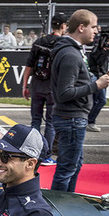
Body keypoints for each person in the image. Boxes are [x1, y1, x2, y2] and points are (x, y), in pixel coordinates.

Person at [50, 10, 109, 192]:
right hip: (71, 118)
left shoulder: (72, 51)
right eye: (93, 27)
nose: (96, 31)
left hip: (73, 118)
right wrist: (96, 85)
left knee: (73, 166)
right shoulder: (70, 54)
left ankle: (66, 207)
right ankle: (59, 212)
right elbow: (64, 93)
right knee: (67, 169)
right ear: (81, 27)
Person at [21, 13, 67, 166]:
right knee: (50, 123)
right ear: (63, 26)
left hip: (36, 86)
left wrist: (25, 85)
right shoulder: (63, 43)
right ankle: (46, 155)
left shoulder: (39, 42)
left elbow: (28, 66)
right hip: (53, 88)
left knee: (35, 120)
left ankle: (33, 152)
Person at [86, 34, 109, 133]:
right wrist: (107, 50)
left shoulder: (101, 50)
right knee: (101, 100)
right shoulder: (97, 50)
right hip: (96, 76)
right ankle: (90, 121)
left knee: (96, 101)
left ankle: (89, 120)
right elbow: (99, 62)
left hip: (101, 75)